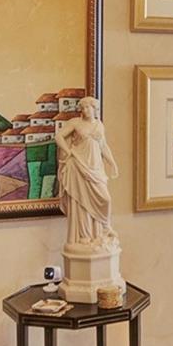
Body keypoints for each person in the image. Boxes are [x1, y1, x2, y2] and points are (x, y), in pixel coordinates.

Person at [54, 96, 118, 247]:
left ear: (94, 109)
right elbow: (59, 136)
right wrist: (68, 151)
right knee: (81, 203)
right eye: (82, 108)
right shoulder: (75, 123)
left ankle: (103, 228)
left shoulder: (99, 125)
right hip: (78, 165)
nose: (85, 110)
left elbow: (103, 146)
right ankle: (85, 235)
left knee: (106, 199)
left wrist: (112, 163)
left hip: (96, 168)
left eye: (88, 107)